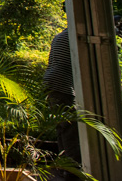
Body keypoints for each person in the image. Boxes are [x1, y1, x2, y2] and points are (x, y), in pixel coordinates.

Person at [43, 28, 80, 178]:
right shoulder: (74, 35)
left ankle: (65, 166)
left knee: (62, 127)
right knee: (70, 128)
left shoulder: (60, 36)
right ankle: (73, 171)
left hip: (52, 82)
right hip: (62, 84)